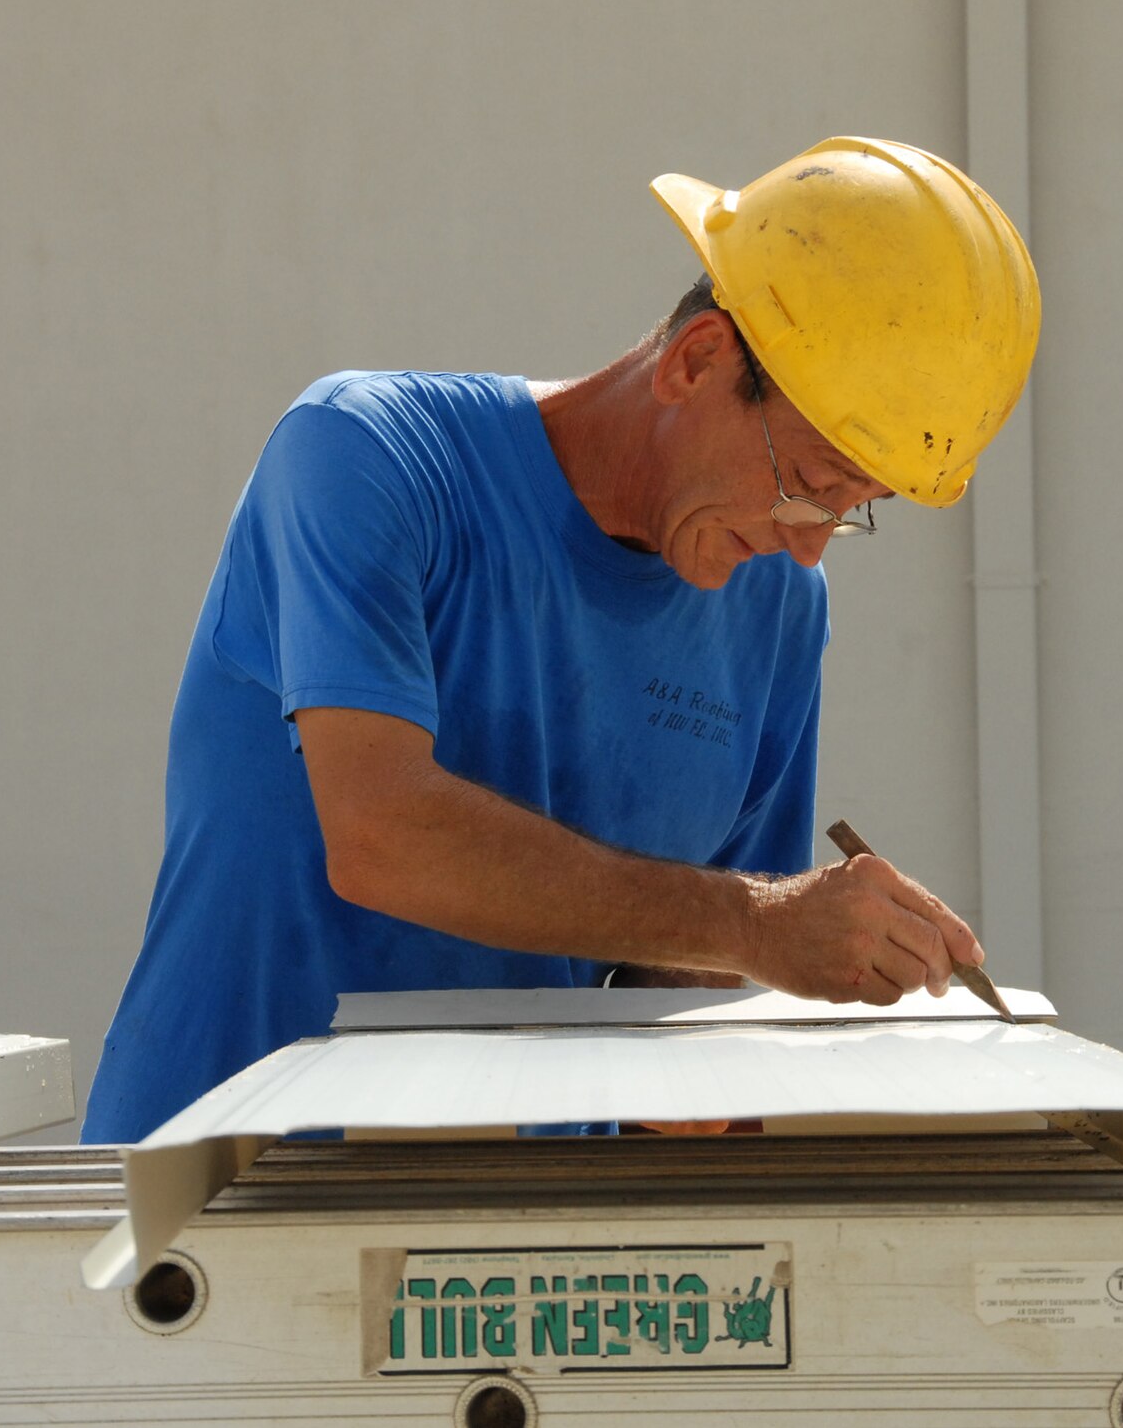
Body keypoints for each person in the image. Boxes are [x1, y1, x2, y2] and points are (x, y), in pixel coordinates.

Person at [81, 137, 1041, 1143]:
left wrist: (798, 979)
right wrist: (756, 922)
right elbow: (379, 838)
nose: (805, 550)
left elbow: (684, 991)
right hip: (215, 1205)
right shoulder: (368, 458)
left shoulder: (777, 614)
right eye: (808, 481)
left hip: (517, 1271)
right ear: (696, 360)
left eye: (852, 510)